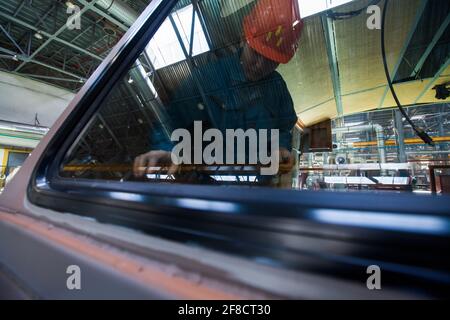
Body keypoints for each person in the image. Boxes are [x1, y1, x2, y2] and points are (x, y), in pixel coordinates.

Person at [134, 0, 303, 185]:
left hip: (258, 186)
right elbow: (173, 121)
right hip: (212, 185)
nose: (260, 66)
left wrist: (280, 147)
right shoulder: (207, 79)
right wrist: (167, 149)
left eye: (271, 61)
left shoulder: (277, 87)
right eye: (256, 53)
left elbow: (283, 126)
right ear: (243, 38)